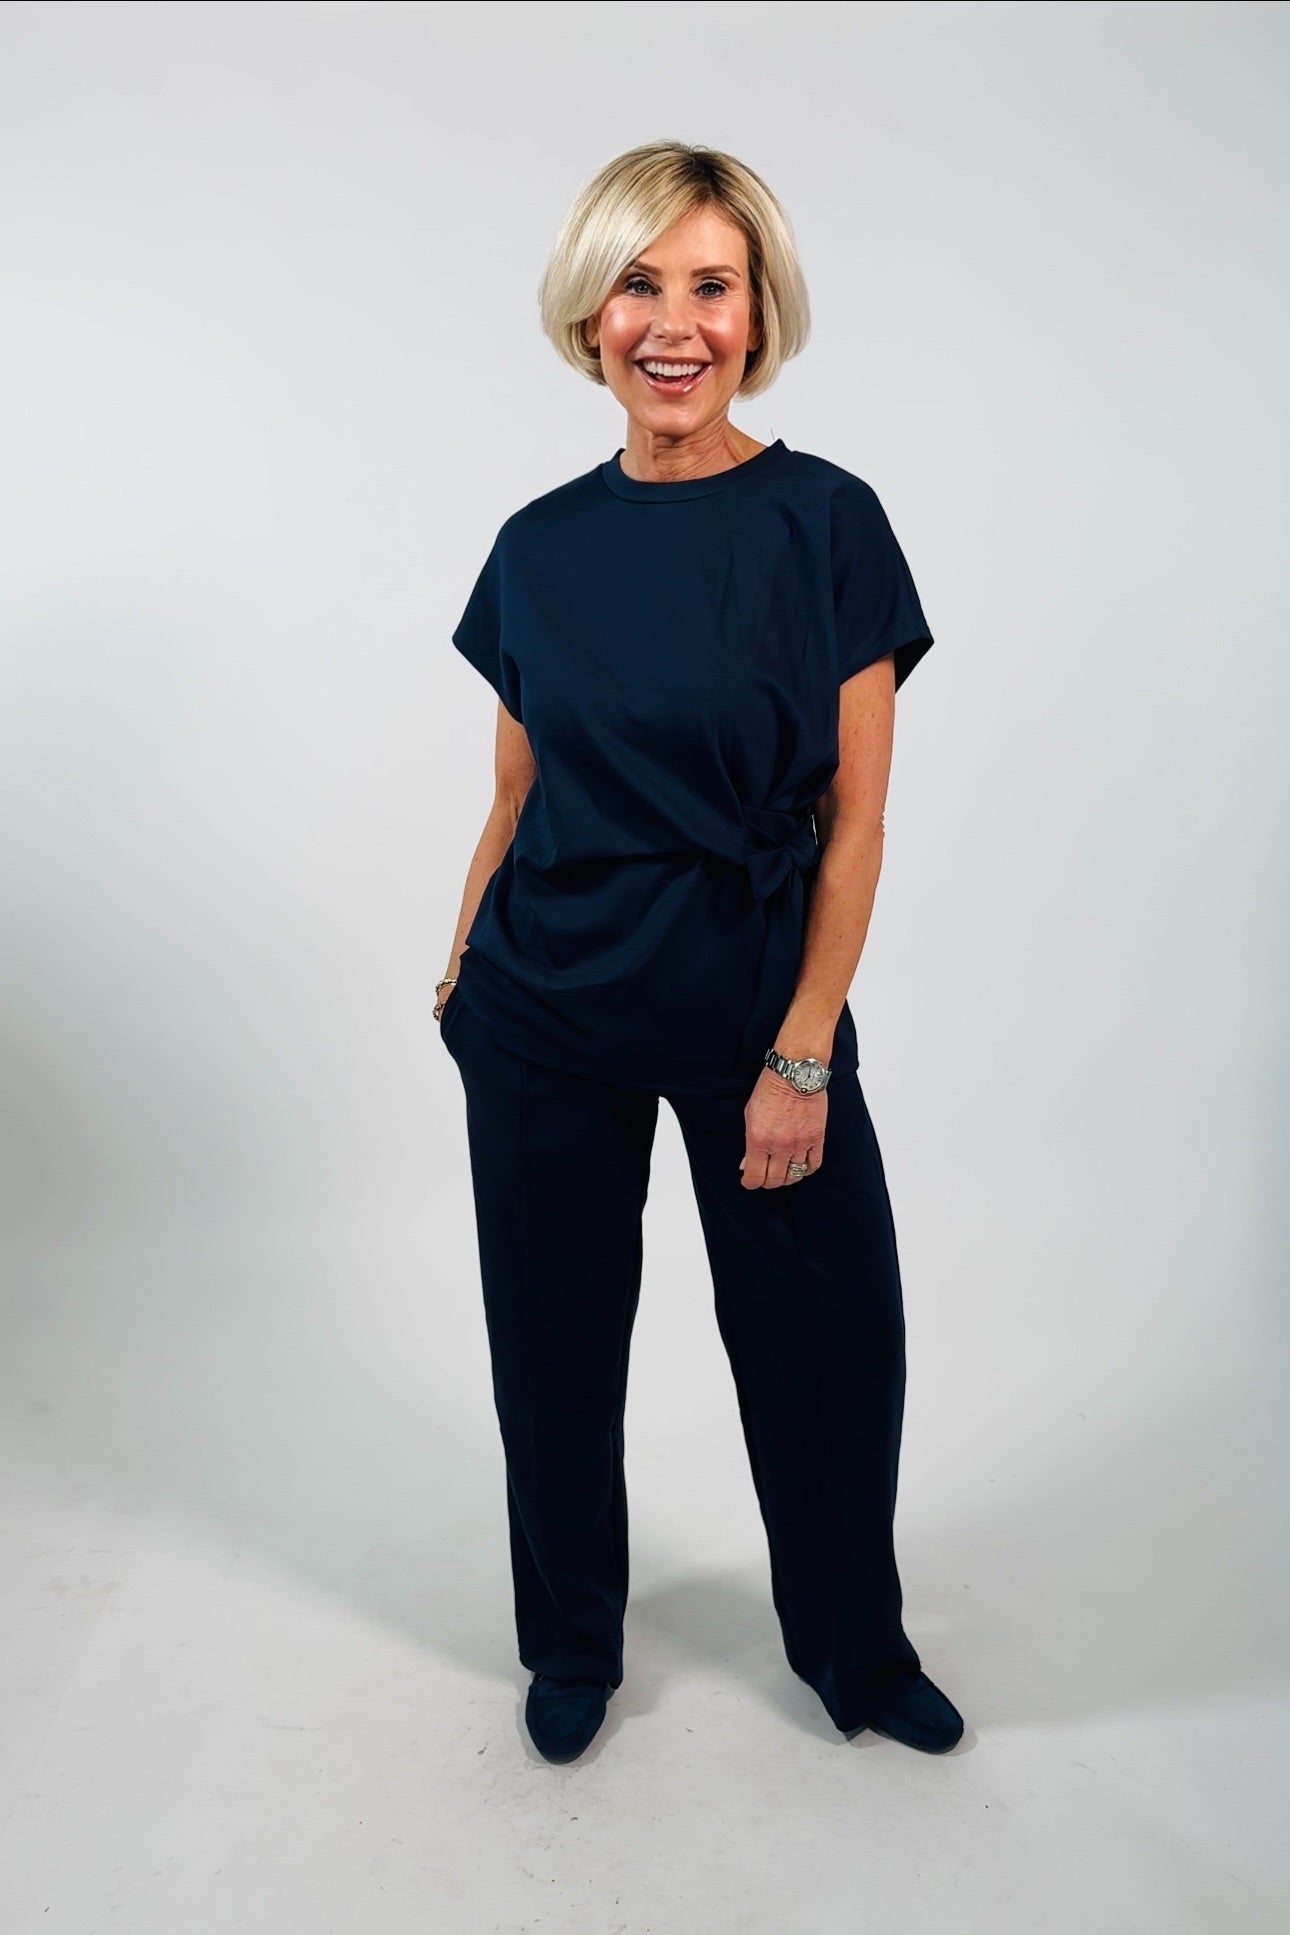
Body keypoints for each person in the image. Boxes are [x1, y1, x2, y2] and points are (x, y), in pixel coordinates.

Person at [435, 139, 965, 1764]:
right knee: (552, 1355)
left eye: (709, 286)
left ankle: (854, 1652)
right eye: (637, 284)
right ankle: (569, 1647)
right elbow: (516, 790)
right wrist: (460, 973)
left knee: (830, 1350)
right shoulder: (536, 546)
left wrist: (802, 1049)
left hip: (751, 1006)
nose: (672, 324)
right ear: (587, 314)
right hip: (545, 1009)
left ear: (757, 312)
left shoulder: (825, 522)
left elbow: (856, 822)